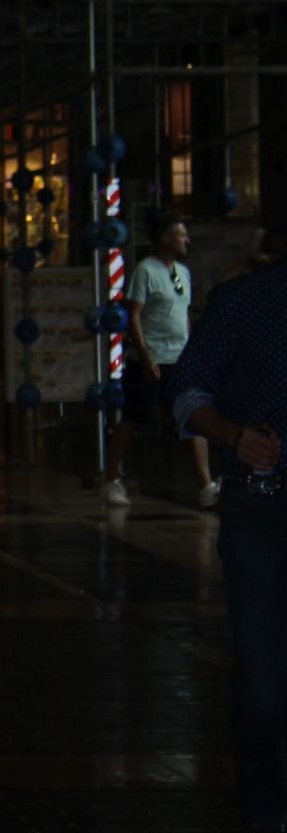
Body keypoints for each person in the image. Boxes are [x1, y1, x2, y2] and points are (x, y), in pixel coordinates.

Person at [166, 240, 287, 832]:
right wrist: (235, 436)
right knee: (263, 680)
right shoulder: (242, 302)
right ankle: (266, 810)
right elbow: (187, 392)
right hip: (261, 508)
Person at [104, 214, 211, 508]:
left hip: (179, 357)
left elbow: (183, 313)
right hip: (149, 359)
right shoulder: (145, 271)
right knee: (133, 418)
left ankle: (206, 485)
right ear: (165, 238)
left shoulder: (181, 273)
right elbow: (134, 316)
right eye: (181, 234)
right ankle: (111, 479)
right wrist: (146, 355)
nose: (187, 240)